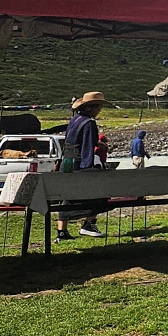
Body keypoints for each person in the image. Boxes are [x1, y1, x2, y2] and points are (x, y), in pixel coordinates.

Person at [56, 91, 109, 240]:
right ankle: (88, 224)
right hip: (79, 163)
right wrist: (88, 167)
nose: (99, 111)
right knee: (99, 191)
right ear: (90, 108)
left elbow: (75, 140)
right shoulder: (89, 123)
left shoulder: (75, 120)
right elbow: (86, 147)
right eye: (98, 107)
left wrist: (96, 142)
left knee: (66, 196)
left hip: (67, 161)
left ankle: (62, 231)